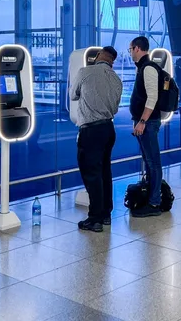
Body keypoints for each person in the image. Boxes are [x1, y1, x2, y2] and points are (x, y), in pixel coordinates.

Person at [69, 46, 123, 232]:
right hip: (108, 129)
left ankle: (95, 219)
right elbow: (115, 109)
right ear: (112, 61)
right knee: (105, 171)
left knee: (91, 174)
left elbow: (72, 95)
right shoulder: (116, 79)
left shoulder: (85, 72)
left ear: (99, 56)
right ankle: (106, 213)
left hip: (90, 130)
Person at [128, 36, 163, 217]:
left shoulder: (148, 68)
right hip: (144, 122)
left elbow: (152, 97)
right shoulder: (142, 68)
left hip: (147, 122)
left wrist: (142, 121)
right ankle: (151, 196)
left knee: (153, 162)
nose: (130, 52)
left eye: (130, 49)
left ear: (138, 48)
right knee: (149, 162)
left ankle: (154, 203)